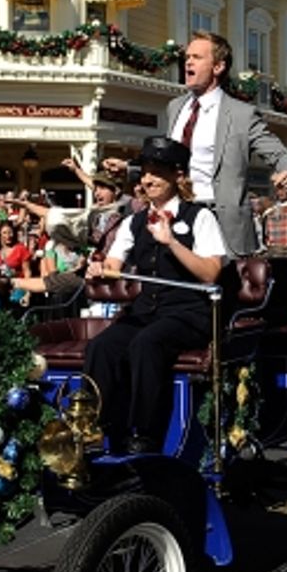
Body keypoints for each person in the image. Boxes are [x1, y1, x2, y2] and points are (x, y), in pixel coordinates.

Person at [84, 137, 227, 453]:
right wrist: (99, 269)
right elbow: (114, 264)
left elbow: (211, 273)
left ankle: (145, 435)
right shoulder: (133, 222)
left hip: (190, 313)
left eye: (156, 173)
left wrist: (171, 242)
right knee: (101, 347)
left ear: (177, 176)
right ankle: (101, 429)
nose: (147, 179)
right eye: (145, 172)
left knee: (146, 344)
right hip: (147, 310)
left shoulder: (199, 217)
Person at [161, 31, 287, 256]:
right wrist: (128, 168)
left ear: (218, 67)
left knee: (221, 289)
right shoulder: (175, 107)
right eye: (187, 57)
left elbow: (280, 155)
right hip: (178, 214)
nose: (188, 62)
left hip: (221, 221)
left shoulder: (241, 114)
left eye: (196, 57)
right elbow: (167, 163)